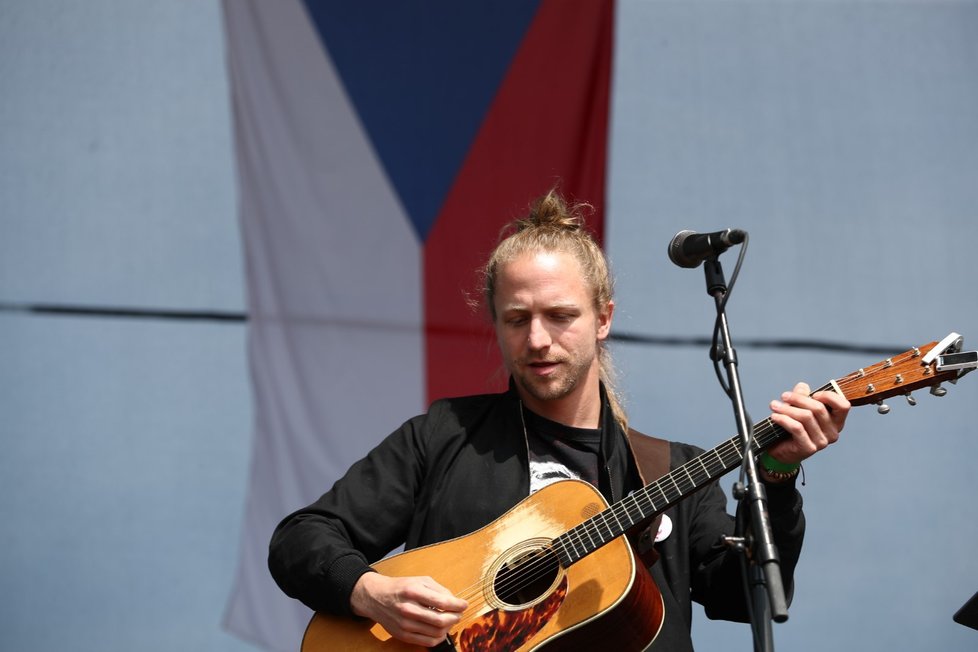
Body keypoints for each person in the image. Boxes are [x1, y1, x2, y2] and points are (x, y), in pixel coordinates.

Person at [268, 190, 850, 651]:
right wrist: (369, 592)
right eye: (516, 319)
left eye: (560, 316)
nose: (538, 340)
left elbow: (742, 599)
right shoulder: (446, 436)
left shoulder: (673, 471)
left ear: (603, 317)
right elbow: (300, 539)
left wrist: (775, 478)